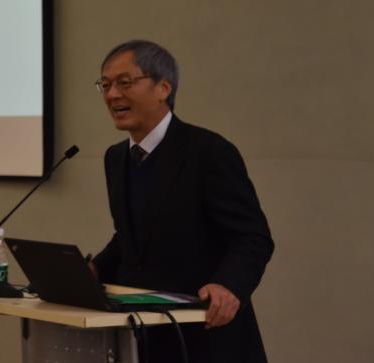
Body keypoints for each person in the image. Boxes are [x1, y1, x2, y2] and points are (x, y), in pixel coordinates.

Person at [88, 40, 274, 363]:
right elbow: (131, 238)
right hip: (143, 334)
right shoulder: (116, 158)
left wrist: (229, 286)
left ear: (163, 88)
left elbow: (252, 236)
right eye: (105, 85)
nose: (112, 94)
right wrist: (93, 268)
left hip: (206, 333)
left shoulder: (208, 151)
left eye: (124, 83)